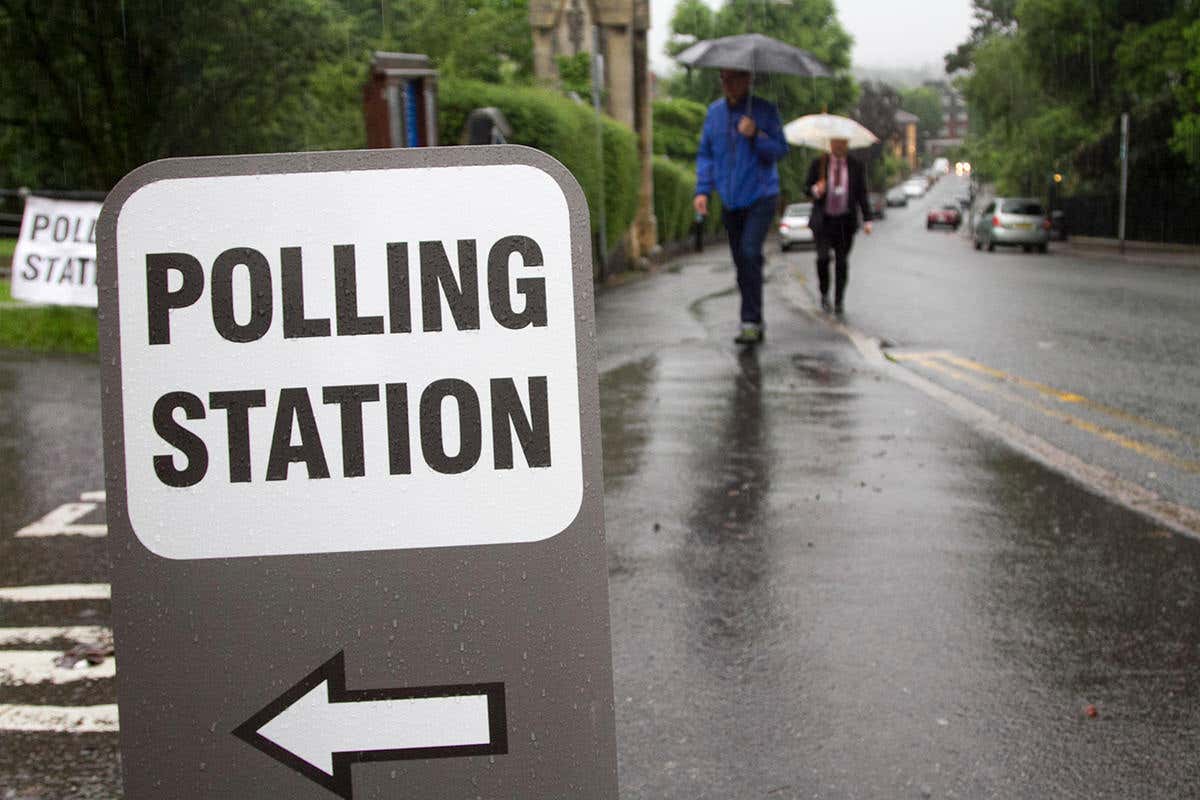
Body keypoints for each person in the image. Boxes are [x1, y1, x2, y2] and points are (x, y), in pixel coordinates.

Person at [694, 69, 788, 345]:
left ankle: (750, 320)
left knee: (748, 252)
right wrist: (703, 191)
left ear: (747, 80)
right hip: (730, 199)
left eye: (733, 79)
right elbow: (706, 154)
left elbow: (780, 150)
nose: (727, 84)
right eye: (723, 79)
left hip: (761, 195)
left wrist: (756, 134)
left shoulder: (765, 111)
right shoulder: (714, 114)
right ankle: (753, 318)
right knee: (741, 261)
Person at [805, 137, 872, 315]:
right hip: (824, 220)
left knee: (842, 262)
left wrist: (867, 219)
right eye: (836, 143)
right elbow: (805, 188)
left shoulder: (856, 165)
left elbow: (862, 194)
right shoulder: (819, 164)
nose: (839, 146)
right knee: (823, 258)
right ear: (830, 144)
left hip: (845, 221)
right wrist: (816, 189)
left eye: (842, 143)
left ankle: (839, 300)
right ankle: (824, 293)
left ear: (847, 144)